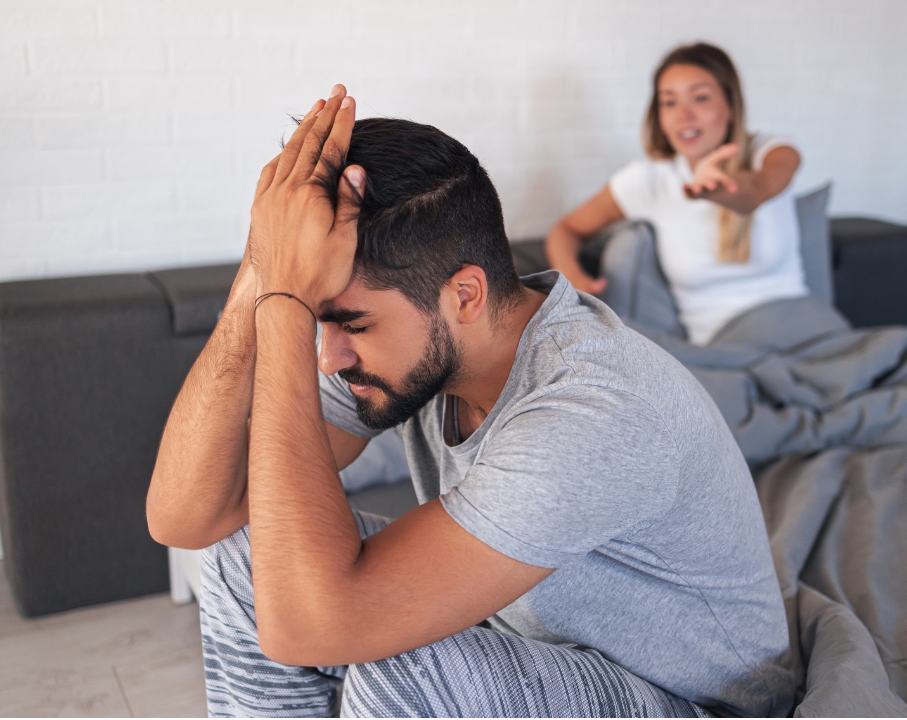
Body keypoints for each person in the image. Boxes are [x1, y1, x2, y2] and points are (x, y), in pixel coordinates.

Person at [146, 86, 792, 718]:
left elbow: (312, 628)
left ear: (465, 296)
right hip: (535, 642)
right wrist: (264, 268)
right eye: (320, 323)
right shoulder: (414, 345)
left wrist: (283, 310)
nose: (328, 356)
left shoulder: (591, 409)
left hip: (690, 700)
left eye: (352, 325)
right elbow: (184, 518)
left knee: (403, 665)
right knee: (241, 557)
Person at [547, 42, 807, 346]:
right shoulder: (649, 179)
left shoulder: (773, 150)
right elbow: (565, 230)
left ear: (731, 107)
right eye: (669, 103)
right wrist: (574, 279)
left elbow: (757, 190)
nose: (684, 115)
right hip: (723, 352)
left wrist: (720, 190)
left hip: (802, 328)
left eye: (700, 98)